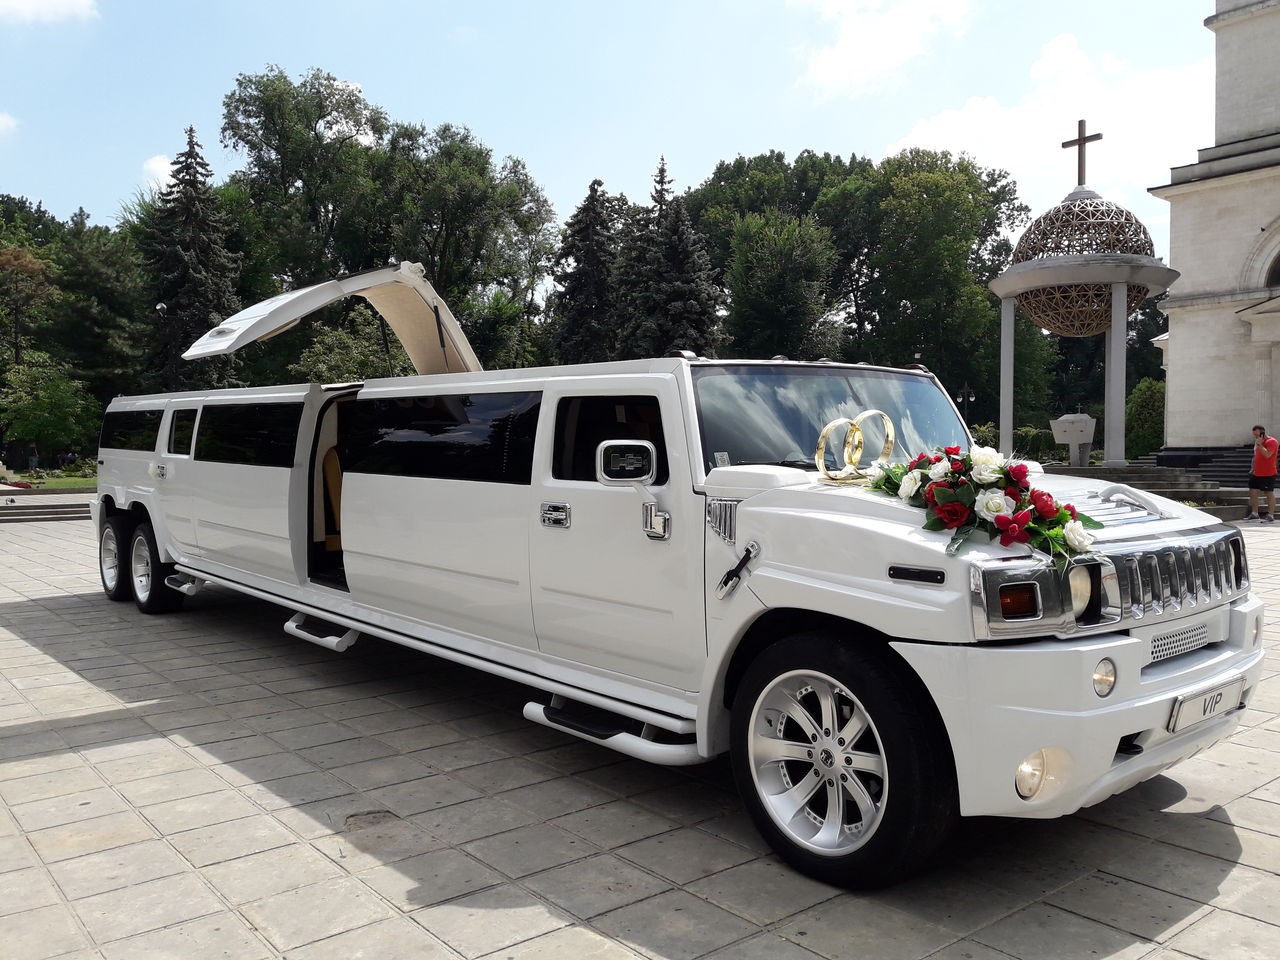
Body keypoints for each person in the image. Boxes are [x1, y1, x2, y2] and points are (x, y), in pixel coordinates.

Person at [1245, 424, 1278, 522]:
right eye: (1254, 435)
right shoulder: (1258, 442)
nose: (1255, 437)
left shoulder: (1272, 441)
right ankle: (1255, 513)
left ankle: (1270, 515)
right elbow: (1255, 456)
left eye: (1257, 435)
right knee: (1253, 491)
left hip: (1268, 473)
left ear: (1262, 433)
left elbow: (1267, 455)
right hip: (1256, 472)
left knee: (1268, 493)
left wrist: (1260, 444)